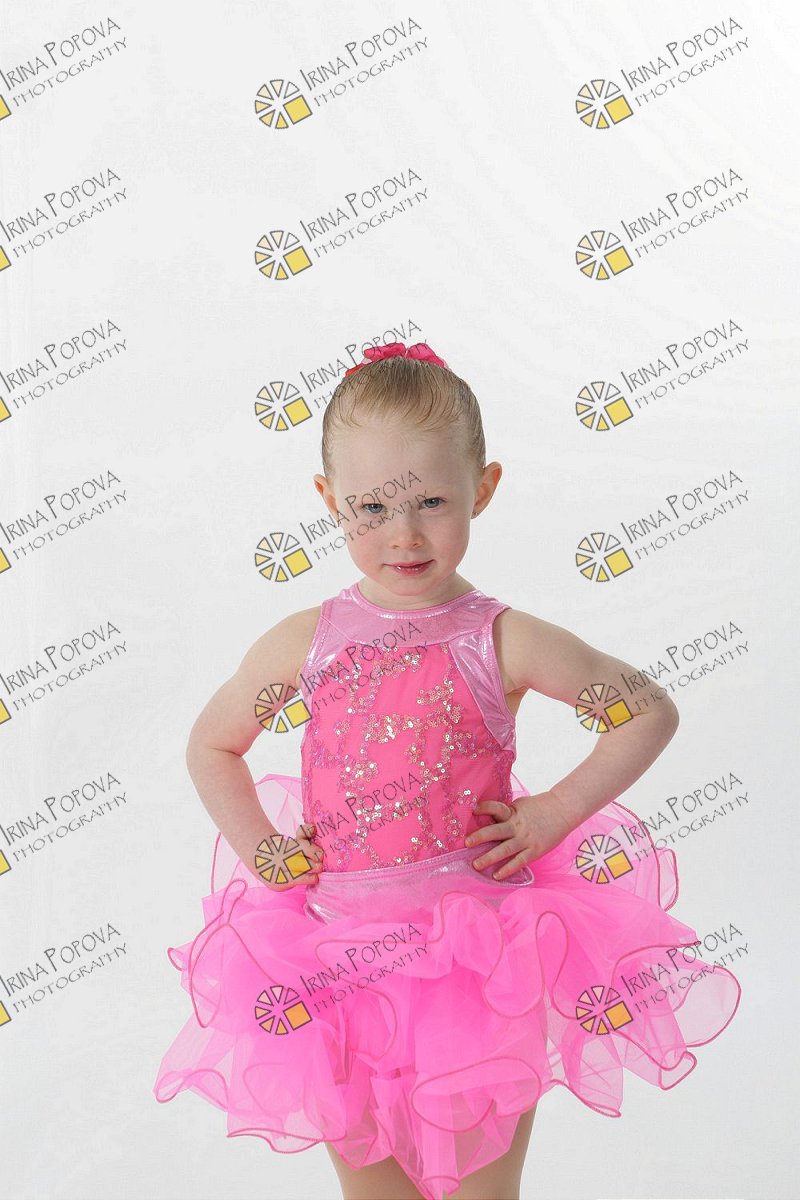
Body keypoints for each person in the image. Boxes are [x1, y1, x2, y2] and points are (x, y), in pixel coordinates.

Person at [152, 341, 742, 1200]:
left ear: (483, 489)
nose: (404, 533)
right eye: (372, 508)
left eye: (431, 500)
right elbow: (213, 744)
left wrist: (554, 813)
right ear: (329, 501)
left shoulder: (500, 638)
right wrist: (263, 849)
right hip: (332, 960)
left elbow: (646, 708)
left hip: (477, 967)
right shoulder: (304, 642)